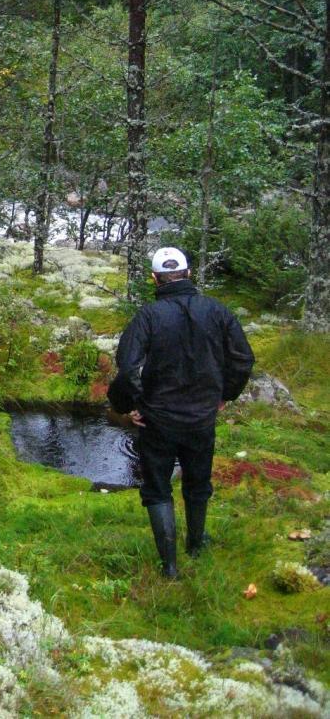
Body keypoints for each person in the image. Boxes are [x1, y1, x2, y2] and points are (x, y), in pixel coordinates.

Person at [108, 247, 255, 578]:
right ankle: (196, 544)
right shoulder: (218, 312)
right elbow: (243, 358)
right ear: (188, 274)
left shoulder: (148, 316)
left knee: (158, 489)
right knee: (198, 483)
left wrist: (127, 406)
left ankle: (170, 567)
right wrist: (224, 395)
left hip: (156, 420)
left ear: (155, 279)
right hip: (201, 419)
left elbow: (128, 368)